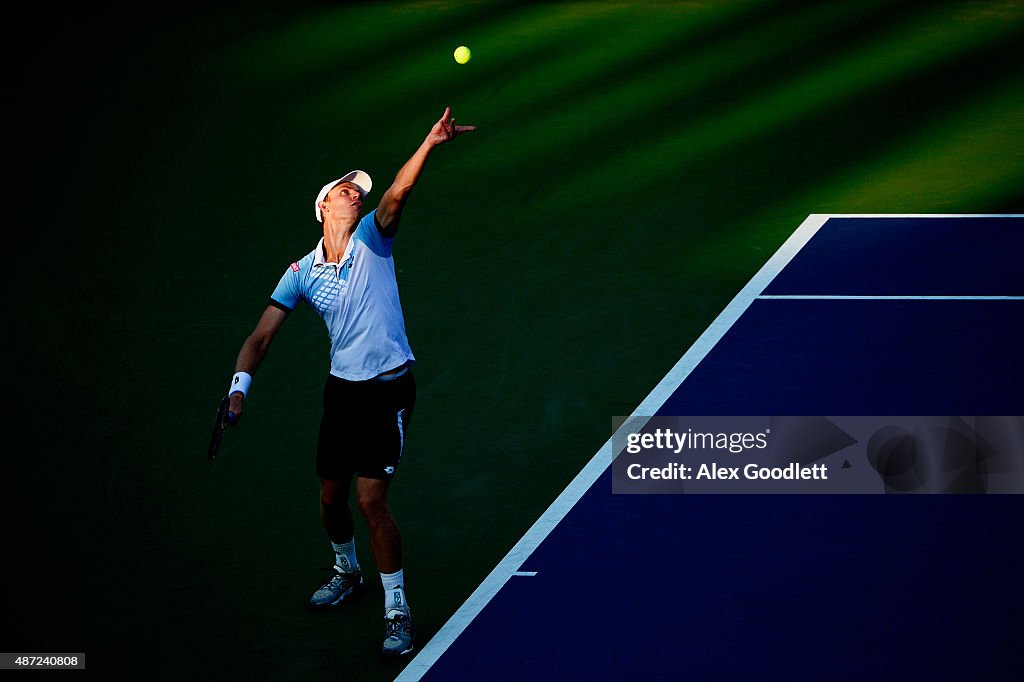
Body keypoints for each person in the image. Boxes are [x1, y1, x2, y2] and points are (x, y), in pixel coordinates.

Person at [222, 107, 475, 657]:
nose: (354, 193)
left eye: (357, 190)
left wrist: (429, 144)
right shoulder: (302, 272)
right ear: (322, 207)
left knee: (370, 500)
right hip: (342, 393)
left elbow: (397, 195)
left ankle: (397, 611)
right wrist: (240, 385)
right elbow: (260, 337)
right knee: (330, 496)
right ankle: (346, 571)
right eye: (344, 189)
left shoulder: (374, 239)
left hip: (388, 390)